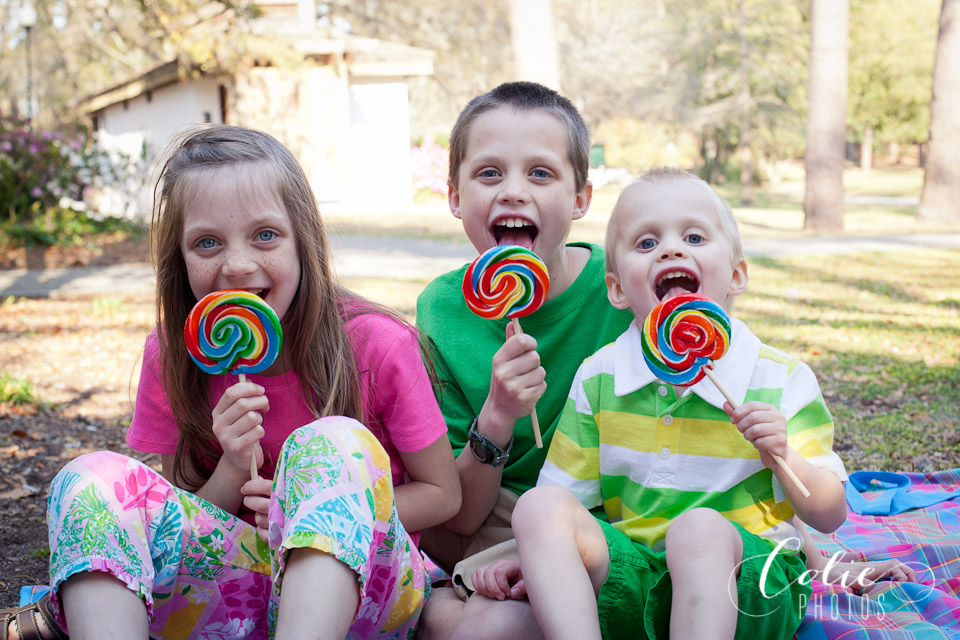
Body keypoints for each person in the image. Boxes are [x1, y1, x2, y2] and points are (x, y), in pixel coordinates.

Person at [1, 125, 460, 640]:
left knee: (329, 444)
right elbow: (180, 511)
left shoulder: (377, 344)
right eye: (207, 242)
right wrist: (230, 464)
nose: (237, 266)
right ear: (179, 258)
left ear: (303, 241)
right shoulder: (173, 355)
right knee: (88, 478)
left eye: (265, 235)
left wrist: (313, 507)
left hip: (367, 593)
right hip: (229, 597)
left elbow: (444, 494)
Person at [470, 167, 850, 640]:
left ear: (736, 275)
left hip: (752, 582)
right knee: (538, 506)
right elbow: (567, 507)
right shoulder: (601, 377)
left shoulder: (779, 378)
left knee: (698, 531)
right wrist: (530, 561)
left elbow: (830, 514)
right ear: (616, 289)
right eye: (646, 244)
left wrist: (784, 455)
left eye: (694, 236)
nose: (671, 249)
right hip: (638, 574)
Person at [414, 82, 633, 638]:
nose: (513, 191)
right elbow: (458, 514)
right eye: (489, 173)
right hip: (488, 522)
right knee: (469, 615)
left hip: (609, 518)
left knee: (479, 628)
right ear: (455, 196)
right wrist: (499, 414)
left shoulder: (624, 291)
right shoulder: (442, 310)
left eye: (540, 173)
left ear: (581, 198)